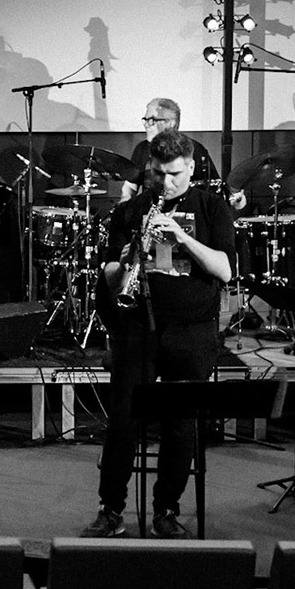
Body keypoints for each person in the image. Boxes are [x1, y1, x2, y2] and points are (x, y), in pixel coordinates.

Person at [85, 129, 235, 538]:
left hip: (192, 331)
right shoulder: (131, 211)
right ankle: (110, 509)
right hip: (137, 328)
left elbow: (224, 270)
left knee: (180, 424)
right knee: (122, 422)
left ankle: (166, 510)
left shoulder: (212, 207)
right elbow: (111, 279)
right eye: (157, 174)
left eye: (173, 174)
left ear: (190, 167)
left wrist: (182, 237)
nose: (165, 183)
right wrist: (128, 258)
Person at [122, 97, 244, 210]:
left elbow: (215, 190)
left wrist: (235, 201)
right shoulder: (141, 149)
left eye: (152, 120)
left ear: (171, 123)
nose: (146, 125)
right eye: (145, 120)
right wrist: (124, 207)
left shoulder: (195, 149)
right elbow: (130, 187)